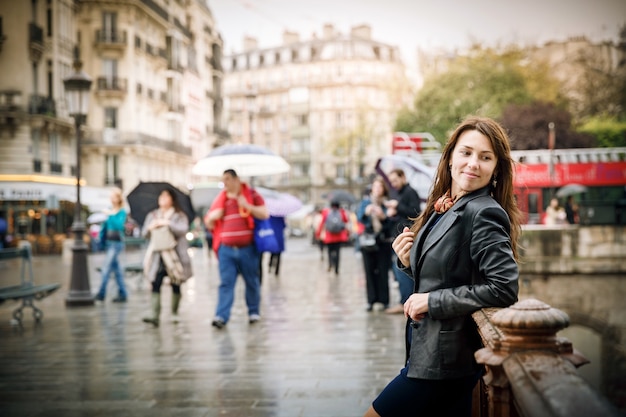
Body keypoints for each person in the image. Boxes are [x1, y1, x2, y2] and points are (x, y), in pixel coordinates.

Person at [363, 116, 521, 417]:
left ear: (496, 169)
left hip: (445, 364)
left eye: (485, 157)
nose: (473, 163)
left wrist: (433, 301)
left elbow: (504, 287)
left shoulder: (484, 212)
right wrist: (408, 261)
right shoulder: (446, 205)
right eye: (466, 153)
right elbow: (451, 270)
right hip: (426, 351)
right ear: (449, 158)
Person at [204, 169, 269, 329]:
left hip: (247, 248)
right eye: (223, 179)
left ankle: (253, 311)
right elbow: (210, 221)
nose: (224, 183)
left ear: (236, 179)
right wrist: (211, 219)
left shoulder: (252, 195)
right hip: (226, 249)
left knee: (251, 281)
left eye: (227, 179)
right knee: (226, 283)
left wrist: (247, 206)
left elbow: (265, 213)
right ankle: (221, 316)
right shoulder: (221, 199)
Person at [141, 188, 193, 327]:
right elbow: (144, 233)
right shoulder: (152, 215)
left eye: (166, 196)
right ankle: (154, 314)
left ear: (172, 199)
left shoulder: (179, 215)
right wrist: (151, 226)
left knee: (176, 283)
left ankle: (174, 313)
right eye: (161, 196)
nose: (163, 198)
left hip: (174, 255)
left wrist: (168, 223)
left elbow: (183, 229)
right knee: (155, 283)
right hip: (158, 255)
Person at [384, 168, 422, 314]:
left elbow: (415, 213)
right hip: (399, 237)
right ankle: (404, 300)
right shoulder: (399, 193)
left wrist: (397, 207)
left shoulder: (410, 192)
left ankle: (406, 301)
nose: (393, 184)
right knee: (398, 271)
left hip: (406, 237)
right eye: (391, 182)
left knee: (403, 271)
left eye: (395, 180)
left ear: (402, 177)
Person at [356, 177, 393, 311]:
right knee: (369, 271)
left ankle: (384, 300)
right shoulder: (366, 202)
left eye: (380, 187)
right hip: (368, 241)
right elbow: (360, 218)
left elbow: (391, 223)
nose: (377, 189)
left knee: (383, 271)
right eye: (375, 186)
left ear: (384, 189)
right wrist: (367, 212)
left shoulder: (387, 204)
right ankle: (371, 300)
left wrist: (383, 217)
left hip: (383, 241)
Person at [94, 188, 129, 303]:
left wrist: (111, 215)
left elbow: (119, 226)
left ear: (119, 198)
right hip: (109, 243)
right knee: (117, 270)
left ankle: (101, 293)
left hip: (116, 243)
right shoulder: (110, 210)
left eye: (114, 196)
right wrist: (101, 238)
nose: (112, 199)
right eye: (111, 197)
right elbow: (105, 226)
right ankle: (123, 293)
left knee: (106, 268)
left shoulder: (121, 212)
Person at [316, 200, 350, 275]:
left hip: (329, 236)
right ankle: (337, 269)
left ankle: (331, 263)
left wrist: (318, 234)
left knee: (329, 251)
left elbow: (322, 223)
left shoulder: (326, 212)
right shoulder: (341, 212)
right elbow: (346, 221)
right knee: (337, 252)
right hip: (339, 236)